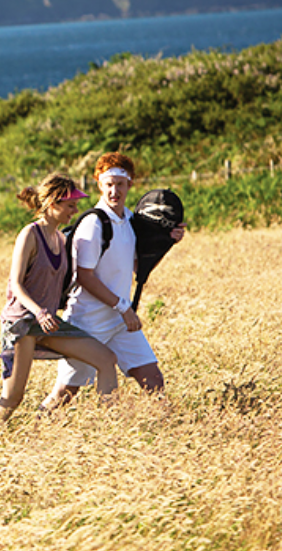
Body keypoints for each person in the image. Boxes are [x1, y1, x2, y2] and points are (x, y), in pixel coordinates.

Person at [41, 152, 186, 409]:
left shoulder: (131, 220)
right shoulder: (94, 223)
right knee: (65, 392)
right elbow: (85, 277)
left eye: (120, 184)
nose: (114, 191)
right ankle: (33, 429)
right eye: (108, 184)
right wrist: (123, 307)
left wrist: (167, 242)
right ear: (99, 184)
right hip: (88, 321)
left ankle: (171, 430)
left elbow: (138, 267)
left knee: (153, 380)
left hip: (119, 321)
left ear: (130, 185)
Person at [0, 174, 119, 424]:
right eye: (71, 205)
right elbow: (16, 284)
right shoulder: (29, 235)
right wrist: (39, 312)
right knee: (14, 396)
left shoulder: (62, 239)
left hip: (49, 323)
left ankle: (111, 428)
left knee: (106, 359)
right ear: (53, 204)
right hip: (23, 323)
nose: (75, 210)